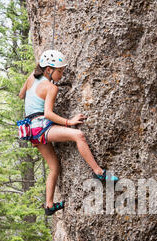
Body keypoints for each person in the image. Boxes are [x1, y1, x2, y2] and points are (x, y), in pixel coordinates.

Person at [18, 49, 118, 216]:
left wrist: (33, 77)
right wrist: (69, 122)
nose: (62, 74)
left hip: (30, 131)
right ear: (49, 70)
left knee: (54, 167)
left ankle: (49, 205)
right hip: (41, 127)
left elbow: (21, 95)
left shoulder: (31, 79)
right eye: (60, 71)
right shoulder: (51, 87)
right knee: (78, 135)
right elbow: (48, 114)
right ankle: (99, 173)